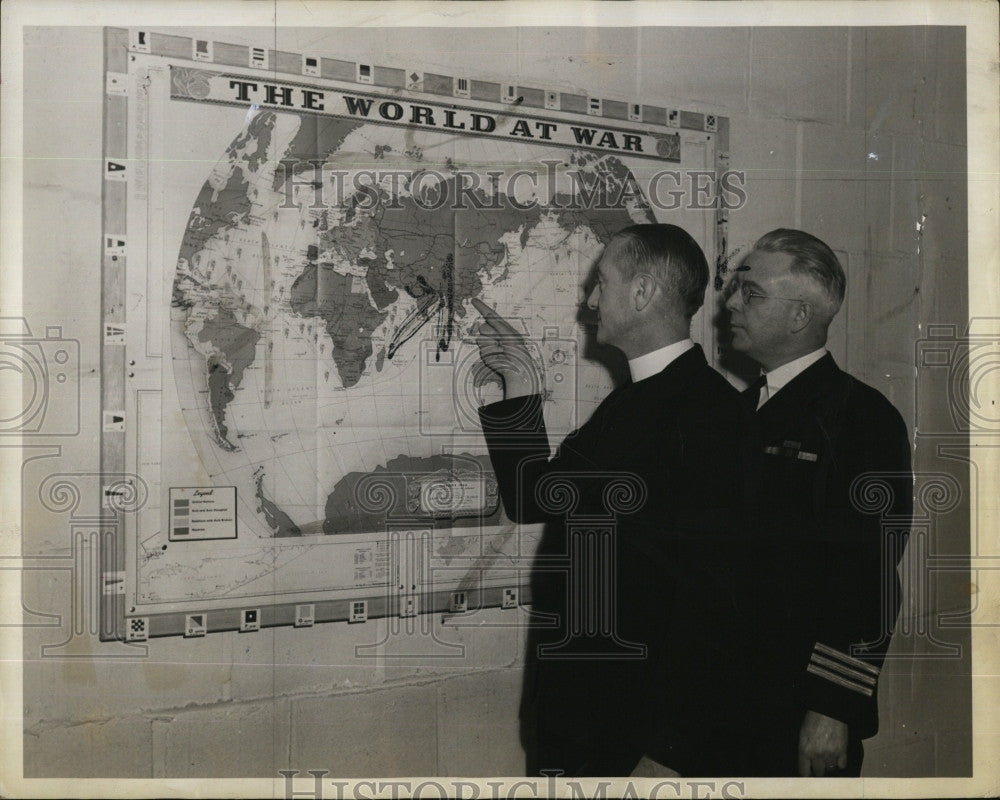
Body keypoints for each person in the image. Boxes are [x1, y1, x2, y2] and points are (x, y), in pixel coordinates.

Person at [472, 224, 752, 777]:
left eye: (601, 283)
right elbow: (537, 498)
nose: (590, 301)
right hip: (579, 719)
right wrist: (522, 385)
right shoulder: (633, 401)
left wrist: (668, 751)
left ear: (643, 292)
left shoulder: (712, 415)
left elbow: (715, 601)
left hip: (635, 739)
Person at [723, 228, 913, 777]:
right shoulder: (736, 410)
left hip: (796, 707)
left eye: (751, 293)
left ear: (800, 314)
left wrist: (832, 707)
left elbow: (872, 572)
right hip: (724, 701)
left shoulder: (862, 418)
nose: (731, 304)